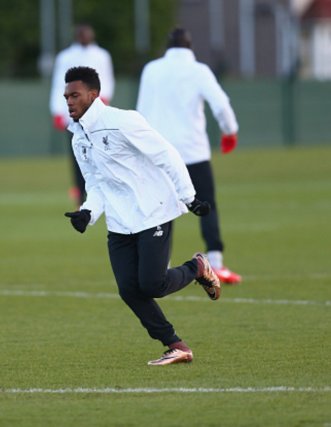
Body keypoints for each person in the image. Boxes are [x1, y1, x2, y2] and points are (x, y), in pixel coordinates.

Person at [62, 66, 221, 366]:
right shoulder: (78, 139)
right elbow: (95, 184)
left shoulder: (124, 121)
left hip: (153, 211)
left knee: (152, 285)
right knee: (128, 289)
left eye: (75, 95)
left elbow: (167, 154)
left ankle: (198, 267)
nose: (69, 102)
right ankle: (176, 345)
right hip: (121, 222)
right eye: (66, 96)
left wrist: (189, 198)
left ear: (93, 96)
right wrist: (88, 212)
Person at [136, 27, 241, 284]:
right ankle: (215, 263)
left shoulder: (151, 69)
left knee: (157, 209)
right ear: (190, 45)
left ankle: (159, 265)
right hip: (192, 151)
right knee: (207, 205)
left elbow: (140, 110)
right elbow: (221, 104)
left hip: (157, 152)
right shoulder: (199, 71)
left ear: (167, 46)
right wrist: (230, 131)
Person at [49, 24, 115, 206]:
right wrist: (57, 111)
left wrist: (103, 102)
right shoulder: (66, 56)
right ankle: (81, 197)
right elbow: (58, 84)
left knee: (101, 153)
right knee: (79, 155)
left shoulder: (102, 55)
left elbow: (107, 81)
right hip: (74, 114)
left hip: (96, 112)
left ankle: (105, 194)